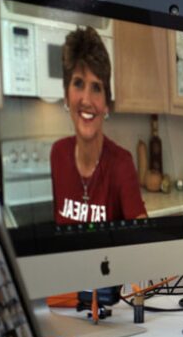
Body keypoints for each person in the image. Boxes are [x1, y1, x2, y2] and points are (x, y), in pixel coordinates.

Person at [50, 26, 147, 224]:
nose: (86, 100)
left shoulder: (121, 164)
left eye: (96, 87)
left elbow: (144, 234)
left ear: (106, 105)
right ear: (66, 96)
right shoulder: (58, 154)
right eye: (78, 83)